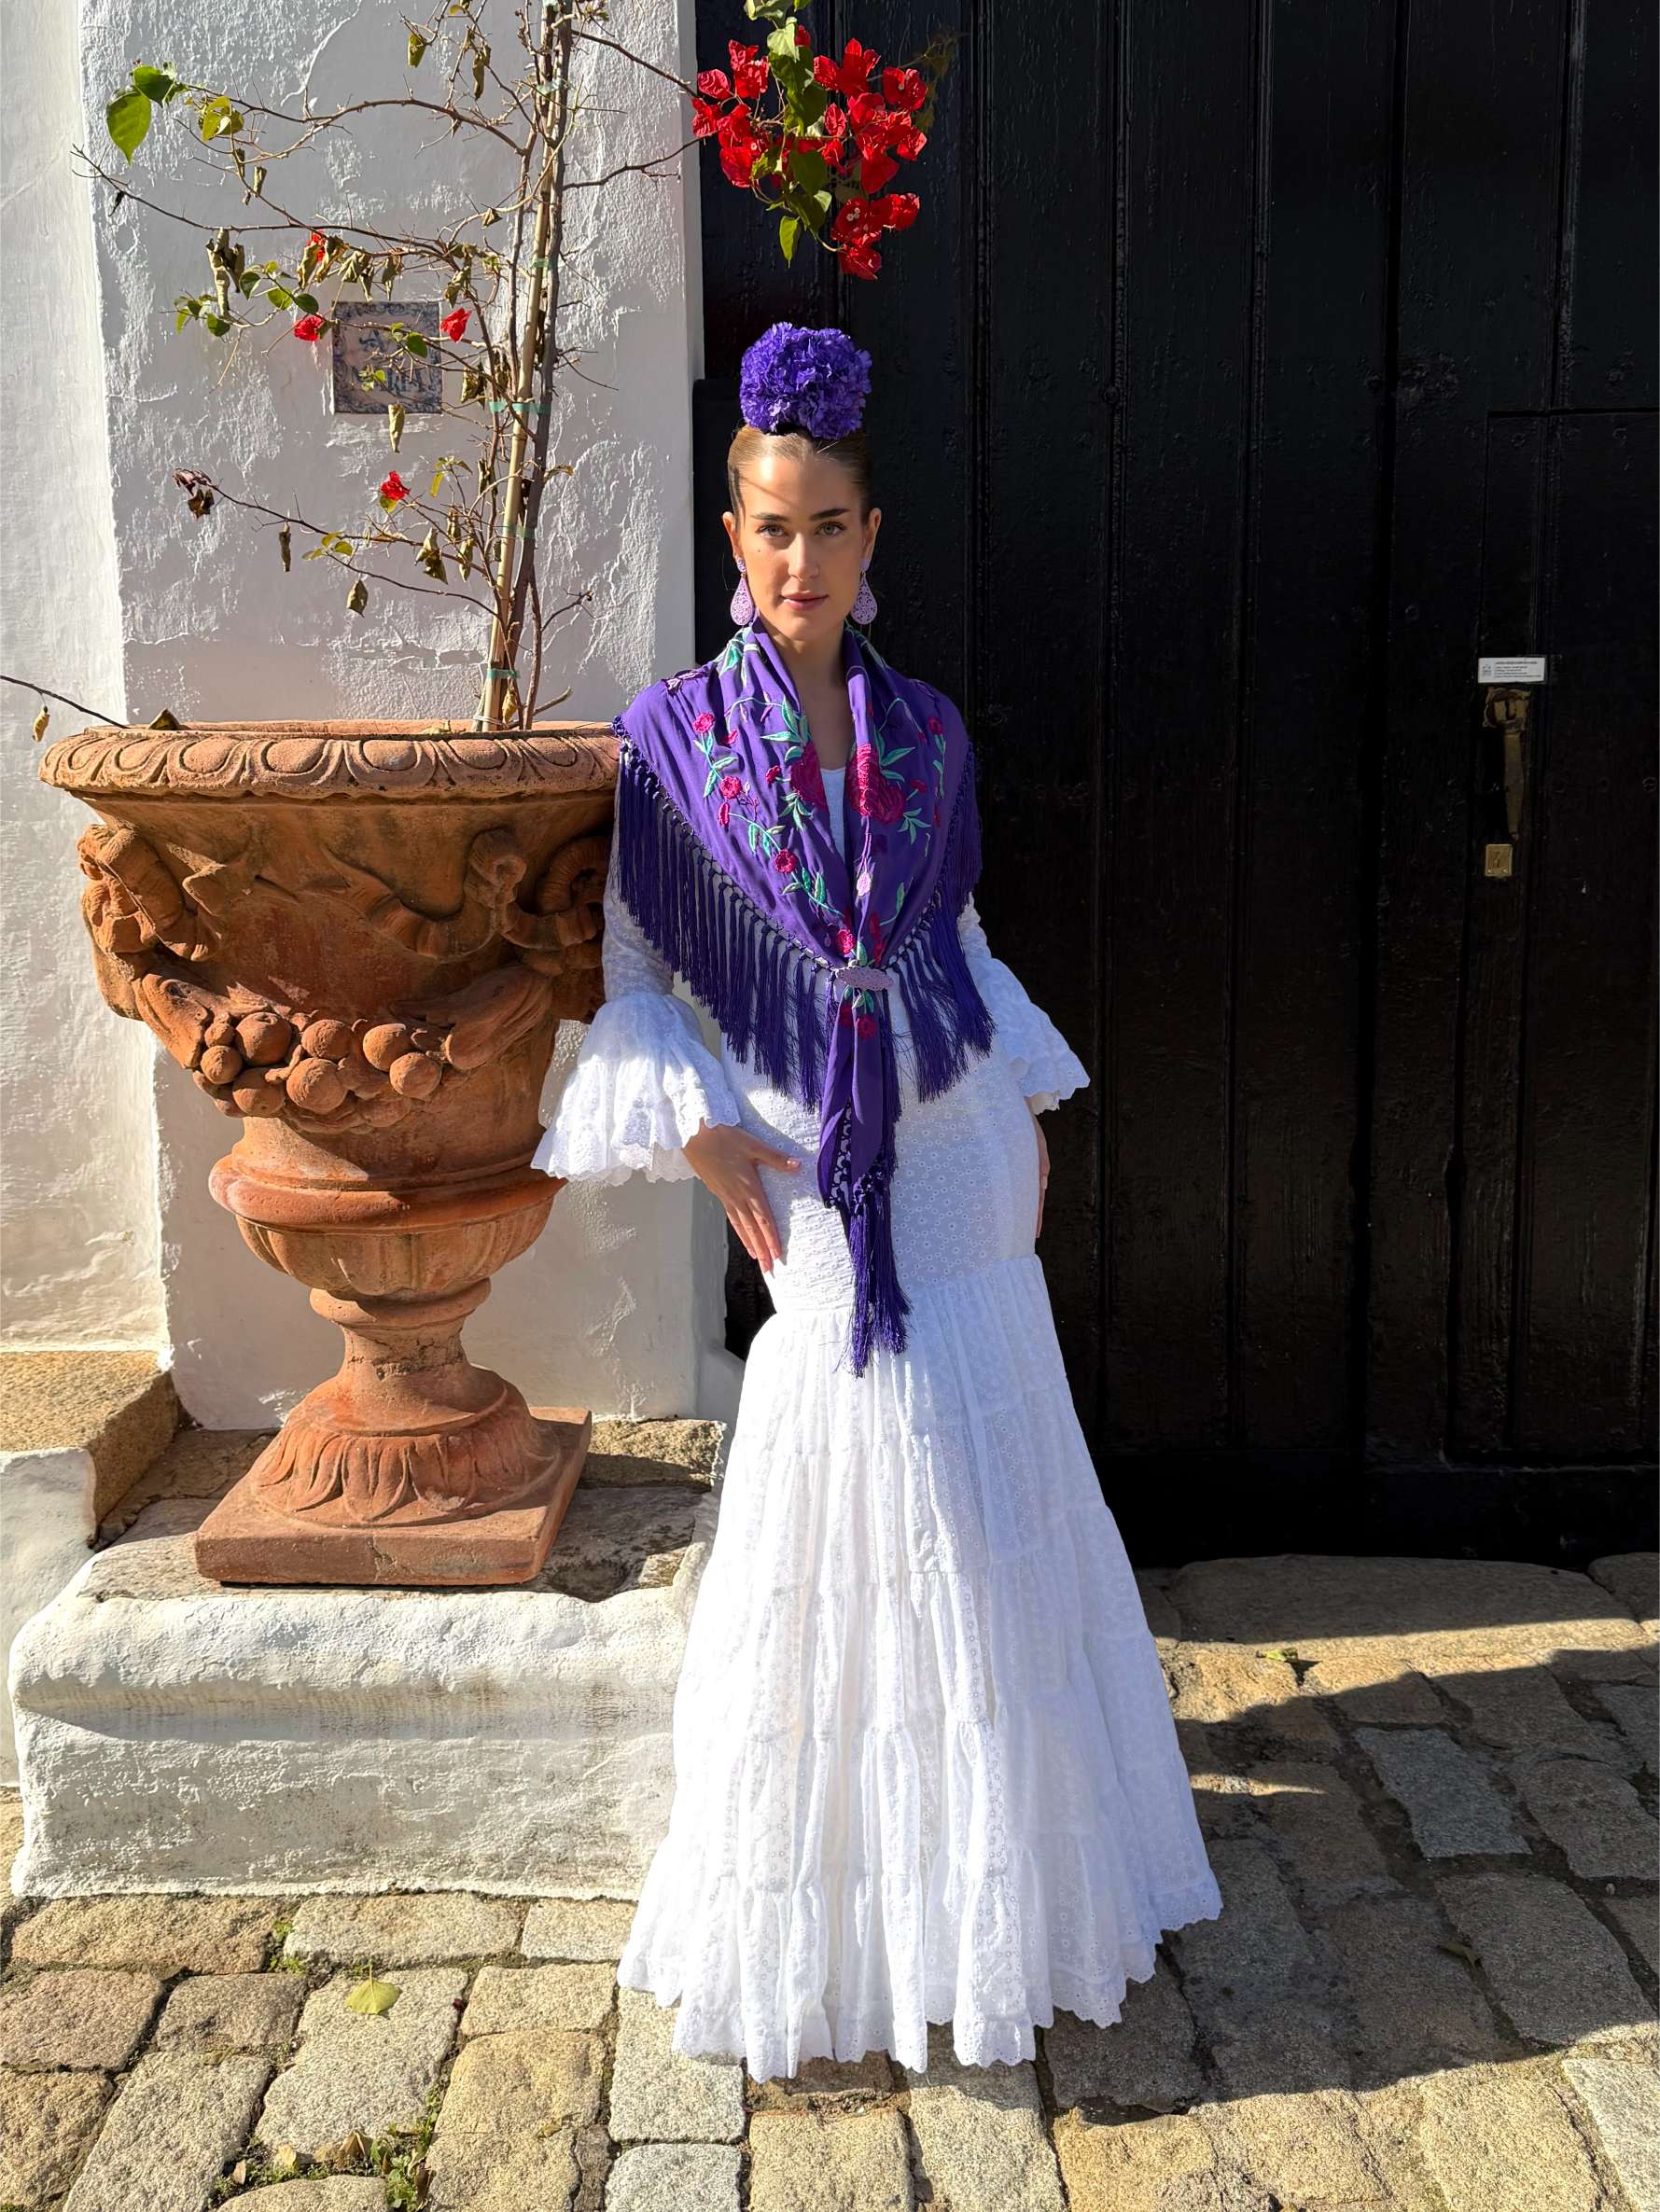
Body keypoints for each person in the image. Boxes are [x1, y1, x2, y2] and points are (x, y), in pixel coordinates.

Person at [534, 322, 1221, 2082]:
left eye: (826, 528)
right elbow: (629, 960)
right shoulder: (670, 743)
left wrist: (1021, 1100)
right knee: (861, 1486)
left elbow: (960, 942)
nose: (794, 562)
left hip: (960, 1150)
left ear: (870, 534)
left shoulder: (926, 729)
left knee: (992, 1514)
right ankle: (856, 1895)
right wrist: (698, 1138)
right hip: (813, 1175)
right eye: (766, 526)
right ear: (731, 528)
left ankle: (1014, 1877)